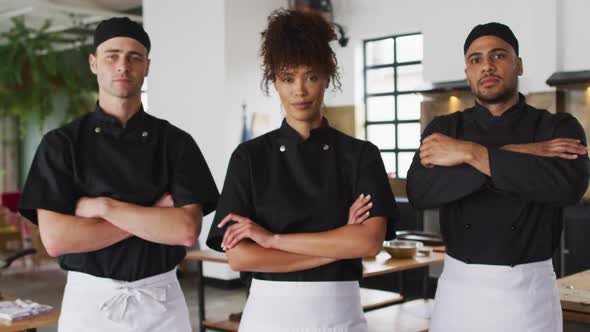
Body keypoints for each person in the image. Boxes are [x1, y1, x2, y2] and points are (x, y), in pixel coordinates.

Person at [18, 17, 219, 332]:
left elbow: (184, 230)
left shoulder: (175, 142)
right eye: (112, 56)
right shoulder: (61, 144)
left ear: (147, 66)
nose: (122, 65)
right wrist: (153, 215)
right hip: (90, 306)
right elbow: (57, 239)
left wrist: (103, 207)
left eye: (134, 57)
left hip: (161, 303)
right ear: (94, 63)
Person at [206, 9, 398, 332]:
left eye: (311, 76)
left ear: (327, 76)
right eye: (287, 78)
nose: (300, 90)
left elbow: (367, 243)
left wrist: (271, 239)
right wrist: (335, 247)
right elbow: (240, 258)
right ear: (273, 82)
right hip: (270, 316)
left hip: (339, 314)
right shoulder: (248, 158)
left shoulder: (360, 155)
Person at [407, 22, 589, 332]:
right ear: (467, 71)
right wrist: (524, 156)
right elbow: (420, 192)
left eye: (498, 56)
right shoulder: (443, 128)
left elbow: (566, 187)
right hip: (459, 293)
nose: (487, 66)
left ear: (518, 65)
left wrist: (467, 154)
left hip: (529, 293)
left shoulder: (557, 126)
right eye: (475, 59)